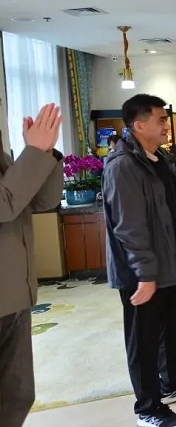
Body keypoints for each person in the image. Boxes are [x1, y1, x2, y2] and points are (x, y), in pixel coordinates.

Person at [103, 94, 176, 427]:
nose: (167, 126)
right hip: (139, 272)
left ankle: (172, 383)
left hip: (166, 264)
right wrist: (145, 274)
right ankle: (148, 408)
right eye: (161, 120)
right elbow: (129, 227)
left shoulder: (158, 158)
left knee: (173, 328)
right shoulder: (123, 166)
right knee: (143, 340)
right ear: (139, 125)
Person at [0, 104, 64, 427]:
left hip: (15, 294)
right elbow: (5, 203)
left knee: (18, 393)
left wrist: (45, 153)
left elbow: (41, 201)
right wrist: (35, 153)